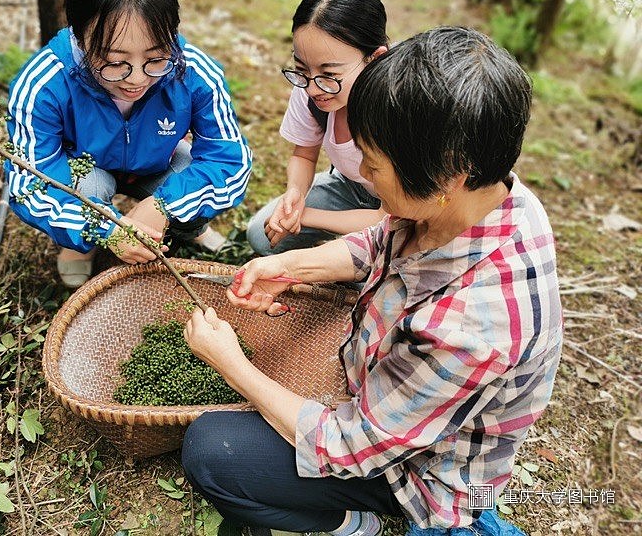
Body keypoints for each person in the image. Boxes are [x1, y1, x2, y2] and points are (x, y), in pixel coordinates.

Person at [182, 27, 563, 536]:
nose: (360, 172)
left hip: (421, 467)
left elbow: (350, 446)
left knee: (213, 453)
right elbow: (385, 236)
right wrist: (291, 266)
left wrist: (231, 363)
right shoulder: (483, 192)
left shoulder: (473, 327)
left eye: (374, 164)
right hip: (393, 398)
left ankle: (354, 524)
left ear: (448, 177)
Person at [5, 0, 251, 287]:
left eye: (155, 58)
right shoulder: (44, 82)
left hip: (157, 162)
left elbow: (230, 162)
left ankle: (190, 227)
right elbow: (29, 183)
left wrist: (166, 205)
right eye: (116, 62)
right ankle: (80, 244)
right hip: (85, 166)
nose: (136, 79)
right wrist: (103, 227)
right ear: (79, 34)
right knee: (84, 184)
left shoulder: (195, 72)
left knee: (188, 177)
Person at [246, 0, 387, 257]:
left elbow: (389, 216)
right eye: (302, 69)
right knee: (262, 236)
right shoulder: (312, 88)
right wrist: (295, 195)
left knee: (371, 266)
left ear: (374, 58)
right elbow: (304, 155)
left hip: (402, 211)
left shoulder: (396, 106)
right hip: (352, 189)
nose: (312, 88)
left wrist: (307, 215)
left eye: (329, 74)